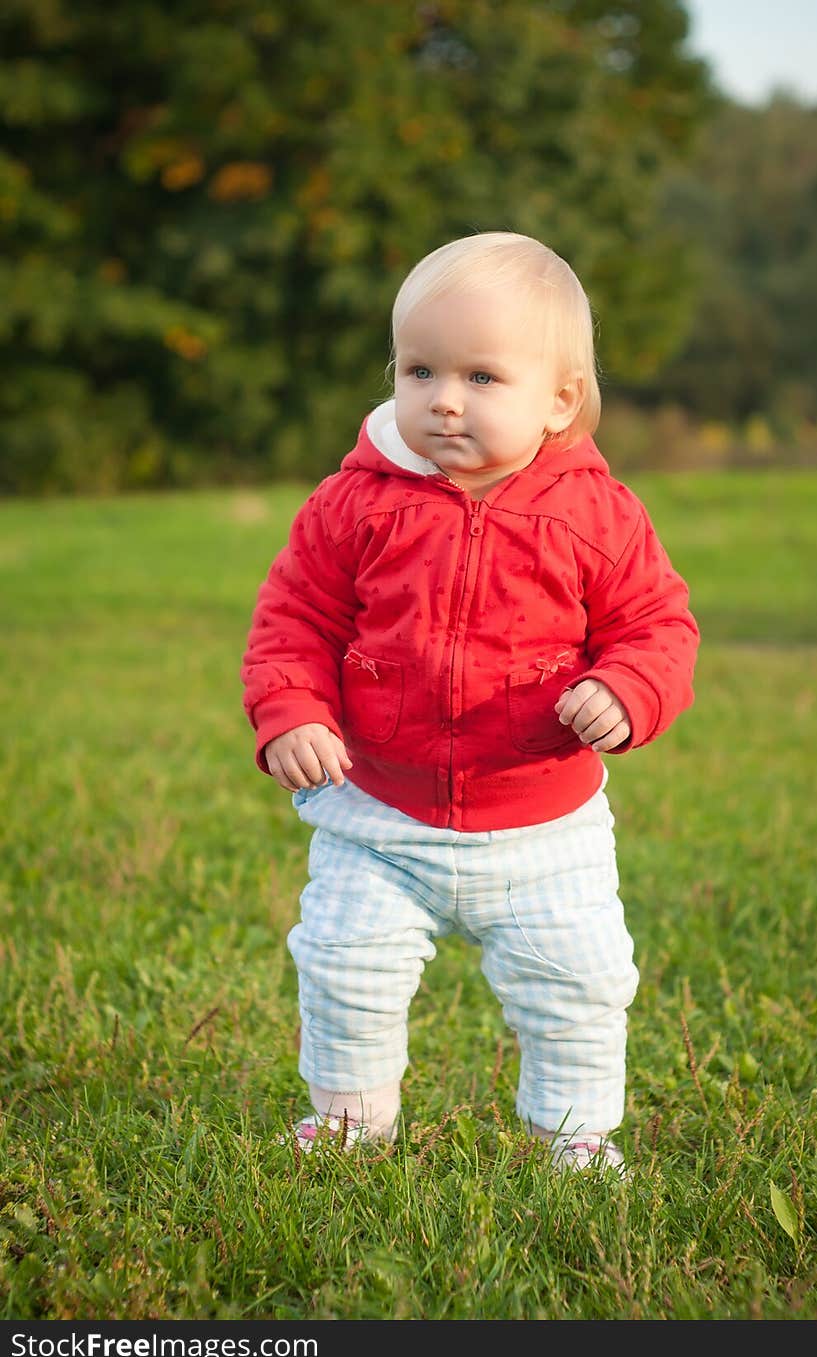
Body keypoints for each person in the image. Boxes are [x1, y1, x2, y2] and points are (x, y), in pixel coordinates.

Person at [241, 231, 699, 1177]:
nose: (443, 399)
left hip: (545, 824)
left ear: (559, 400)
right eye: (419, 369)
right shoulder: (354, 504)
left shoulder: (595, 515)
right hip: (379, 810)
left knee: (577, 984)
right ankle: (350, 1121)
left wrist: (628, 688)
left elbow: (659, 625)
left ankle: (572, 1135)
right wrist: (291, 709)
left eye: (482, 377)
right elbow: (294, 615)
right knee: (345, 966)